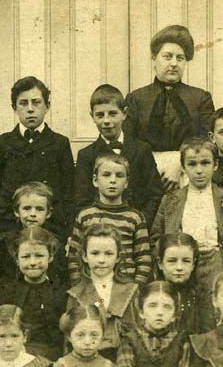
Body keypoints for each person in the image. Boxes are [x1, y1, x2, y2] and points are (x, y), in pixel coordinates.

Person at [0, 76, 75, 239]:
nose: (30, 109)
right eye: (23, 103)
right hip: (9, 233)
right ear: (14, 107)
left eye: (36, 102)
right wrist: (3, 222)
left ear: (47, 106)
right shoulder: (3, 143)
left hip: (49, 233)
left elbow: (69, 192)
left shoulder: (59, 143)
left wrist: (59, 229)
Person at [125, 25, 215, 192]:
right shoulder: (136, 99)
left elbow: (206, 143)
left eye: (180, 58)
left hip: (189, 175)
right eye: (167, 57)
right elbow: (130, 144)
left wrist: (178, 164)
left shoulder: (200, 98)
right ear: (154, 58)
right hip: (145, 177)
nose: (174, 63)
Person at [151, 137, 223, 291]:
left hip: (216, 265)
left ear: (215, 165)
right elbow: (156, 238)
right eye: (192, 164)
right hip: (182, 265)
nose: (199, 170)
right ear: (183, 167)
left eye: (205, 163)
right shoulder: (170, 200)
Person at [74, 83, 164, 225]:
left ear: (124, 113)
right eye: (100, 115)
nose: (106, 121)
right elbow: (82, 200)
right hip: (99, 229)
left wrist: (140, 223)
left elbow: (155, 194)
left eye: (113, 114)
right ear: (92, 117)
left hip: (136, 227)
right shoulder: (86, 155)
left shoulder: (142, 150)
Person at [68, 153, 153, 286]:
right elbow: (74, 257)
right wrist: (79, 286)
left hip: (126, 286)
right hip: (91, 286)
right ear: (95, 180)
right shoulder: (85, 216)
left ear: (126, 182)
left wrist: (136, 288)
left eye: (119, 175)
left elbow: (144, 258)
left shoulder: (135, 217)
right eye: (106, 175)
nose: (113, 180)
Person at [0, 226, 67, 361]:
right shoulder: (8, 291)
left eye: (39, 256)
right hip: (15, 355)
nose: (33, 262)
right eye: (26, 257)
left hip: (52, 356)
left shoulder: (59, 291)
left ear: (50, 256)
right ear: (17, 259)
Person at [65, 223, 138, 361]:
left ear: (118, 257)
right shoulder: (76, 295)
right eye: (95, 253)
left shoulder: (131, 291)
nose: (101, 260)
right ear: (84, 256)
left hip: (126, 360)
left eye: (109, 254)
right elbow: (68, 341)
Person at [0, 182, 66, 303]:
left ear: (48, 213)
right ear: (17, 211)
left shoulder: (54, 240)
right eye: (27, 208)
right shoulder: (5, 239)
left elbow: (60, 276)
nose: (32, 214)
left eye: (39, 209)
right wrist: (0, 302)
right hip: (10, 300)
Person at [154, 232, 216, 336]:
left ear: (193, 264)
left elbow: (208, 336)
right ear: (160, 263)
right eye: (172, 261)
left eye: (186, 261)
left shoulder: (202, 296)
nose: (179, 267)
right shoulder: (151, 295)